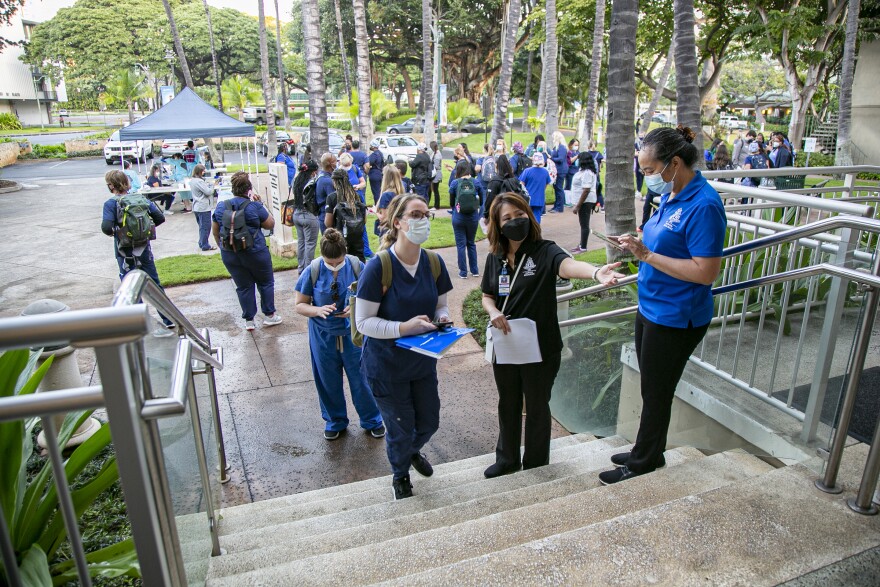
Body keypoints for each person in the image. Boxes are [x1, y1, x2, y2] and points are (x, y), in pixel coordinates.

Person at [601, 125, 726, 485]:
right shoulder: (675, 192)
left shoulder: (704, 205)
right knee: (650, 387)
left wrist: (649, 255)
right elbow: (666, 241)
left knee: (657, 391)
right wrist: (636, 243)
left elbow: (705, 272)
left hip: (676, 315)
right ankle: (648, 449)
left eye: (650, 171)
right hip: (652, 306)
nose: (647, 178)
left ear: (674, 163)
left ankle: (644, 462)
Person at [481, 193, 622, 478]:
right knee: (507, 403)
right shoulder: (494, 258)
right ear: (497, 224)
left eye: (519, 215)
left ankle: (535, 462)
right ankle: (507, 459)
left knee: (536, 405)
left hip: (540, 348)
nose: (515, 221)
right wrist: (493, 311)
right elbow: (487, 295)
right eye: (507, 218)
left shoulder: (545, 250)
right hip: (506, 346)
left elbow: (567, 266)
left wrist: (596, 273)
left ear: (529, 216)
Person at [354, 193, 454, 500]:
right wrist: (404, 328)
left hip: (422, 363)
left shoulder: (434, 263)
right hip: (386, 367)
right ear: (398, 222)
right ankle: (400, 475)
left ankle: (410, 451)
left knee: (429, 421)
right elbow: (363, 323)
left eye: (426, 214)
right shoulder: (379, 268)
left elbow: (441, 306)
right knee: (399, 427)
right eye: (416, 214)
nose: (423, 220)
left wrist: (443, 319)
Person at [295, 227, 385, 440]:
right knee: (327, 380)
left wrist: (355, 310)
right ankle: (335, 421)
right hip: (322, 336)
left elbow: (373, 296)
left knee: (362, 378)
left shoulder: (356, 266)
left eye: (338, 262)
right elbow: (299, 305)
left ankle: (372, 419)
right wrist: (317, 310)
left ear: (345, 254)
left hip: (353, 335)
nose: (334, 266)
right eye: (330, 262)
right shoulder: (313, 270)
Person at [101, 170, 173, 336]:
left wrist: (118, 232)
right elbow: (160, 218)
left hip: (124, 252)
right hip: (144, 249)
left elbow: (106, 227)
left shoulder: (111, 204)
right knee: (154, 283)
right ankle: (168, 319)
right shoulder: (141, 199)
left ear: (111, 185)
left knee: (130, 287)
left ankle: (141, 321)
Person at [211, 171, 282, 331]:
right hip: (255, 251)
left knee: (243, 286)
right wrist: (261, 203)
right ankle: (269, 315)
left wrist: (223, 246)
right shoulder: (254, 206)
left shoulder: (222, 206)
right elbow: (270, 224)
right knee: (265, 282)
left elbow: (215, 230)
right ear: (248, 189)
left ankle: (249, 320)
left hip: (230, 253)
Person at [324, 168, 368, 261]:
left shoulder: (332, 197)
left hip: (340, 237)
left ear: (334, 181)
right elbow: (365, 218)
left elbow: (328, 223)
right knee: (358, 263)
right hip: (357, 236)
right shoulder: (357, 196)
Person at [449, 159, 483, 279]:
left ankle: (463, 272)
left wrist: (455, 209)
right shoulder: (476, 182)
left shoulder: (455, 183)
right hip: (472, 217)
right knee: (471, 243)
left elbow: (451, 201)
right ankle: (475, 270)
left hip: (458, 217)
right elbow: (482, 200)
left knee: (461, 245)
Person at [291, 159, 320, 267]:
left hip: (297, 214)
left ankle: (301, 268)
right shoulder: (312, 183)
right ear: (313, 172)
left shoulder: (296, 181)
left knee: (301, 242)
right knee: (310, 244)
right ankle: (308, 270)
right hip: (308, 215)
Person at [569, 152, 598, 253]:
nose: (577, 160)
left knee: (584, 225)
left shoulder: (587, 173)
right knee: (583, 224)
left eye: (578, 158)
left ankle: (583, 247)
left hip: (585, 202)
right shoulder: (582, 171)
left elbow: (586, 190)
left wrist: (578, 206)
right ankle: (581, 244)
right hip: (582, 202)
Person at [484, 154, 525, 222]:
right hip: (515, 213)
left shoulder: (494, 182)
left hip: (500, 215)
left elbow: (489, 200)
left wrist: (486, 215)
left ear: (496, 165)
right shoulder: (514, 180)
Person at [189, 164, 217, 251]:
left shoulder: (193, 180)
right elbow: (208, 192)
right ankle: (205, 245)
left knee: (202, 227)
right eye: (203, 171)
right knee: (206, 227)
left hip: (197, 207)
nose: (204, 173)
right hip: (203, 207)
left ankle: (201, 242)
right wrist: (213, 186)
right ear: (200, 172)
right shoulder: (199, 182)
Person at [519, 153, 552, 223]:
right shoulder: (545, 172)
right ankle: (536, 231)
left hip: (528, 198)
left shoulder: (527, 171)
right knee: (537, 215)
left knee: (527, 215)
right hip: (539, 198)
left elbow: (521, 183)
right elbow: (547, 183)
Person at [376, 165, 405, 237]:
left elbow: (384, 218)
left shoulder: (386, 195)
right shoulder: (401, 193)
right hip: (399, 229)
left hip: (388, 232)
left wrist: (375, 211)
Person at [315, 153, 337, 234]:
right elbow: (333, 200)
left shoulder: (321, 176)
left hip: (323, 214)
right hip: (327, 216)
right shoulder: (327, 181)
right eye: (335, 161)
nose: (336, 163)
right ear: (331, 164)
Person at [548, 132, 569, 213]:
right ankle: (556, 205)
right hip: (557, 170)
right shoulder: (557, 147)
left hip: (561, 170)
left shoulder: (562, 147)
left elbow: (560, 159)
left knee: (559, 188)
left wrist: (552, 158)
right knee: (556, 187)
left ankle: (560, 207)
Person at [365, 139, 386, 204]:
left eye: (371, 145)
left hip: (374, 174)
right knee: (380, 191)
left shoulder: (374, 155)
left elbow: (368, 163)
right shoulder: (381, 153)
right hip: (380, 173)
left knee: (376, 191)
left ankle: (377, 205)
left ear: (373, 146)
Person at [586, 141, 605, 211]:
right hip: (596, 175)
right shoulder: (598, 154)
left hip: (588, 175)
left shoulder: (587, 154)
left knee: (588, 190)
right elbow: (600, 165)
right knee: (598, 190)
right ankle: (602, 205)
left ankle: (590, 205)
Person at [429, 140, 443, 209]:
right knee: (432, 189)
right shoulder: (435, 153)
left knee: (435, 190)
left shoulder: (437, 155)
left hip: (436, 174)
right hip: (435, 173)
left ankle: (436, 205)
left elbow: (436, 166)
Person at [634, 133, 645, 197]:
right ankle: (638, 190)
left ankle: (639, 190)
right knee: (638, 177)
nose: (641, 136)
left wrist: (639, 153)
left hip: (643, 163)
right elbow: (635, 153)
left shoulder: (645, 144)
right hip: (637, 163)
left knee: (641, 177)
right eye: (640, 135)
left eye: (642, 135)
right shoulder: (636, 144)